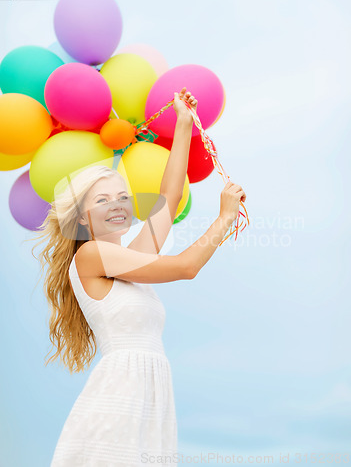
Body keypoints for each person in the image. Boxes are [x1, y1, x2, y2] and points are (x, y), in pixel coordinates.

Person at [31, 88, 246, 466]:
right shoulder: (91, 255)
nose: (116, 204)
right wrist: (224, 218)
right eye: (101, 200)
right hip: (120, 396)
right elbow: (185, 267)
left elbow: (169, 194)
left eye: (121, 196)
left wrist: (182, 123)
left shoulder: (131, 261)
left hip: (152, 397)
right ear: (81, 219)